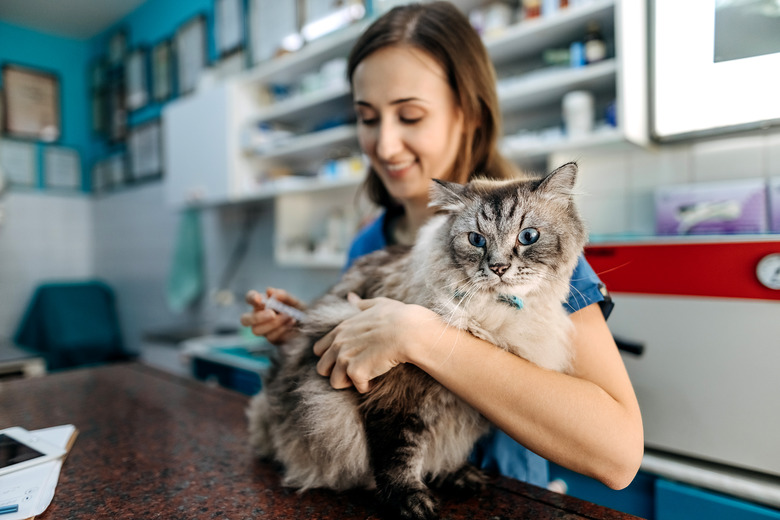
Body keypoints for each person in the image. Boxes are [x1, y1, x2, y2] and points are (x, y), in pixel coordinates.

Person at [241, 1, 643, 491]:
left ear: (468, 114)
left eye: (410, 116)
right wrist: (312, 331)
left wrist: (421, 336)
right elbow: (366, 377)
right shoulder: (371, 238)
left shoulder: (540, 250)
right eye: (367, 118)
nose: (385, 144)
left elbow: (617, 456)